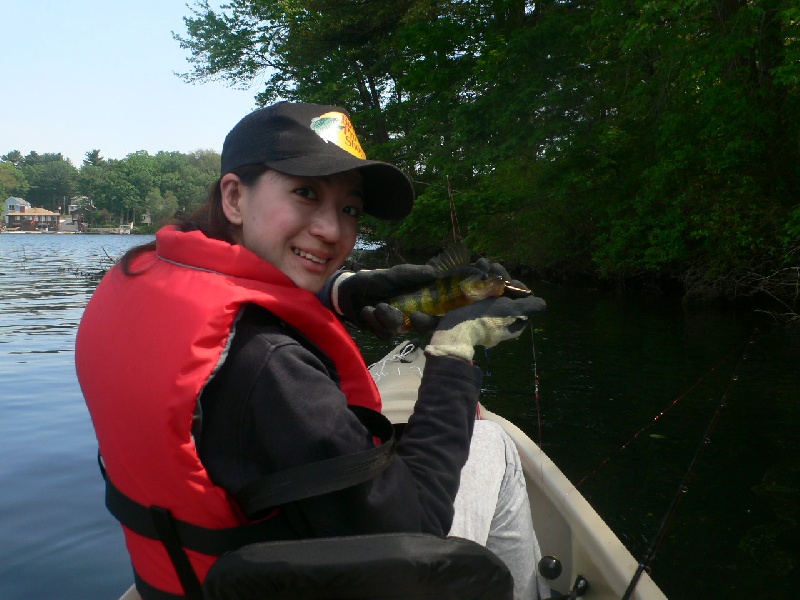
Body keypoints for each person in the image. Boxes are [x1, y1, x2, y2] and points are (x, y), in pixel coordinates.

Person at [76, 101, 549, 600]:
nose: (332, 229)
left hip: (186, 581)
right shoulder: (274, 369)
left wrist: (342, 292)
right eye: (305, 193)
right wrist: (454, 352)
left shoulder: (141, 278)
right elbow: (414, 536)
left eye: (350, 208)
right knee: (492, 444)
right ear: (235, 197)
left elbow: (238, 289)